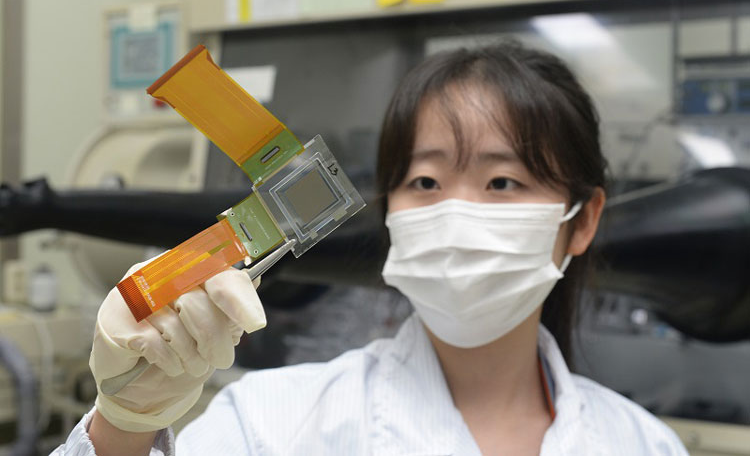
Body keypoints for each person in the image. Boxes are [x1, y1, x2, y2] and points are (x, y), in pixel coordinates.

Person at [54, 41, 688, 455]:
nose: (454, 214)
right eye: (425, 182)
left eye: (502, 182)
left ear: (582, 220)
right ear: (391, 213)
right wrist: (125, 426)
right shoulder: (271, 424)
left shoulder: (643, 446)